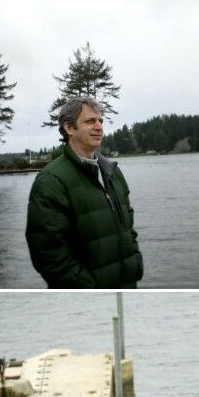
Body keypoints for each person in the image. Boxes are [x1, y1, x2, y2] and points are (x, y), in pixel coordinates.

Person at [25, 96, 143, 288]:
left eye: (100, 121)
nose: (99, 126)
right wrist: (89, 287)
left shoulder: (113, 172)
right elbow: (49, 253)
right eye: (90, 121)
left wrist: (134, 264)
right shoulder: (51, 181)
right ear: (69, 128)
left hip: (127, 287)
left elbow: (128, 228)